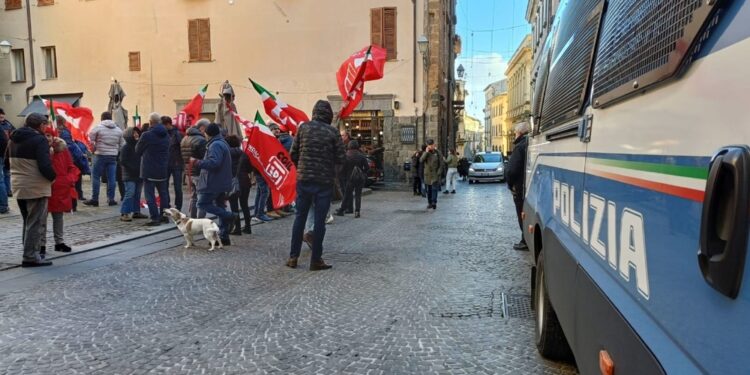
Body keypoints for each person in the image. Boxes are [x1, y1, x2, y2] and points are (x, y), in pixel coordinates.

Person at [287, 100, 345, 271]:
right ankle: (316, 259)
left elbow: (293, 154)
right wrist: (331, 169)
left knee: (299, 218)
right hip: (324, 182)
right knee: (320, 222)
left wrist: (302, 168)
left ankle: (293, 257)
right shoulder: (333, 132)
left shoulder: (303, 128)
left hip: (304, 180)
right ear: (328, 115)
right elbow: (342, 158)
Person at [9, 113, 56, 267]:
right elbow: (44, 165)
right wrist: (53, 177)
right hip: (35, 185)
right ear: (40, 125)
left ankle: (28, 252)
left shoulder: (13, 138)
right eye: (45, 124)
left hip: (18, 184)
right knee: (35, 222)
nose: (46, 127)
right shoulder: (39, 139)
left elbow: (5, 161)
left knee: (27, 221)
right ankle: (30, 256)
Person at [193, 123, 234, 246]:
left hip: (213, 182)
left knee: (202, 203)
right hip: (221, 181)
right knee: (220, 206)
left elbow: (214, 163)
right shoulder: (221, 142)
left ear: (208, 133)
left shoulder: (215, 145)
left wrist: (197, 162)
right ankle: (224, 237)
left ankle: (230, 216)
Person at [42, 129, 79, 253]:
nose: (48, 138)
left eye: (49, 135)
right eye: (45, 135)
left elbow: (71, 167)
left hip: (61, 188)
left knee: (58, 216)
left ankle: (59, 242)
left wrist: (69, 179)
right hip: (46, 186)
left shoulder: (63, 149)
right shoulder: (41, 149)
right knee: (42, 217)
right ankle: (41, 244)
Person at [136, 114, 170, 226]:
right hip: (163, 168)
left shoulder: (147, 135)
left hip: (149, 169)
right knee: (163, 193)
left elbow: (138, 150)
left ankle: (154, 218)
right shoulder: (166, 135)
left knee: (150, 195)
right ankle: (164, 216)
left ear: (150, 122)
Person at [83, 111, 124, 207]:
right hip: (113, 156)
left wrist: (92, 149)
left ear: (102, 118)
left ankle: (95, 199)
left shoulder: (98, 128)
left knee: (96, 177)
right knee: (112, 178)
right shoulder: (118, 130)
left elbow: (90, 140)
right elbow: (122, 145)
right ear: (111, 118)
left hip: (100, 155)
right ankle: (111, 199)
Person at [55, 116, 90, 211]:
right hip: (69, 159)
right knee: (74, 180)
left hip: (65, 159)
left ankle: (74, 200)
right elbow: (69, 146)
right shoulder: (64, 132)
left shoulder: (58, 131)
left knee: (71, 180)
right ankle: (74, 201)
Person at [507, 123, 530, 251]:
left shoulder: (519, 147)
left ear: (519, 133)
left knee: (521, 213)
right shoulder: (529, 143)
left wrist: (510, 184)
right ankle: (525, 238)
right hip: (528, 185)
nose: (514, 134)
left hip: (520, 187)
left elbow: (512, 170)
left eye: (515, 132)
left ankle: (525, 239)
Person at [181, 119, 209, 218]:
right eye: (207, 129)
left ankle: (193, 220)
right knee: (202, 198)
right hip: (199, 173)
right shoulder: (201, 140)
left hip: (189, 172)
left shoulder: (184, 138)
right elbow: (204, 158)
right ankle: (200, 221)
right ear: (202, 128)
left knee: (194, 198)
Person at [225, 135, 253, 235]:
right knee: (245, 205)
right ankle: (248, 227)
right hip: (245, 181)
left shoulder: (226, 154)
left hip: (232, 182)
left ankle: (237, 228)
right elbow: (250, 169)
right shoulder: (244, 154)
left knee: (234, 206)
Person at [335, 140, 369, 218]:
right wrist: (362, 173)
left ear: (349, 146)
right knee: (358, 195)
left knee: (347, 194)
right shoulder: (361, 155)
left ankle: (342, 210)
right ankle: (357, 211)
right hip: (359, 178)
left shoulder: (346, 155)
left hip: (350, 178)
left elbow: (343, 168)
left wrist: (341, 175)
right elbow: (367, 168)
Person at [119, 127, 147, 221]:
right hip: (129, 174)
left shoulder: (139, 145)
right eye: (134, 133)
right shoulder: (126, 147)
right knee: (130, 193)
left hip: (139, 174)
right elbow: (123, 161)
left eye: (137, 133)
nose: (136, 134)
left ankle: (136, 211)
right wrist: (133, 168)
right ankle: (125, 213)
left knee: (137, 194)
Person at [265, 123, 293, 219]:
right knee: (270, 190)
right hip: (271, 167)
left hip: (278, 167)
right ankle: (270, 209)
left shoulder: (278, 140)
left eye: (277, 128)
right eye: (274, 129)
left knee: (278, 189)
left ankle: (277, 208)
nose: (277, 130)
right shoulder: (268, 140)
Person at [163, 116, 184, 211]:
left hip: (176, 164)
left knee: (178, 187)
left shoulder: (177, 134)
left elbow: (182, 148)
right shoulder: (163, 134)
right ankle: (166, 205)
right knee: (164, 186)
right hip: (165, 164)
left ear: (168, 124)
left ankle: (178, 207)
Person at [420, 139, 444, 209]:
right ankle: (429, 203)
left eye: (431, 145)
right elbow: (421, 160)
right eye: (429, 145)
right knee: (429, 190)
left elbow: (441, 163)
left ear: (434, 145)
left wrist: (439, 172)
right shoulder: (425, 152)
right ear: (427, 146)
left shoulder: (438, 152)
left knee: (434, 189)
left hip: (435, 174)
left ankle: (434, 202)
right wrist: (426, 152)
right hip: (427, 174)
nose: (430, 147)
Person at [0, 108, 15, 200]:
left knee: (6, 173)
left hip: (7, 152)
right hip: (4, 152)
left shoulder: (8, 124)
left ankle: (7, 191)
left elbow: (14, 134)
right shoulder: (7, 124)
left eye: (2, 115)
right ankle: (6, 191)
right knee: (5, 173)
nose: (2, 117)